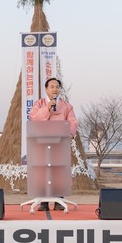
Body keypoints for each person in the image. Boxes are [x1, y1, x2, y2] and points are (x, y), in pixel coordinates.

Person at [29, 77, 78, 210]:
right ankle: (43, 202)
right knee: (42, 170)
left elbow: (73, 122)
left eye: (57, 87)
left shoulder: (66, 106)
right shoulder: (39, 104)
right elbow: (34, 118)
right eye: (52, 87)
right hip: (41, 144)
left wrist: (68, 135)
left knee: (59, 170)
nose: (55, 89)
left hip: (59, 143)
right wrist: (47, 108)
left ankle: (59, 201)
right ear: (46, 89)